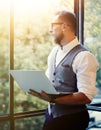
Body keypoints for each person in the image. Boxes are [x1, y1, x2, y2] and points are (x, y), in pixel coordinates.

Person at [29, 11, 99, 130]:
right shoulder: (54, 53)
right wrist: (36, 87)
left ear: (64, 26)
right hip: (51, 116)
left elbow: (86, 96)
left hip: (73, 120)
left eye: (52, 25)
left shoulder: (84, 56)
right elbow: (51, 82)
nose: (50, 30)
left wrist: (53, 99)